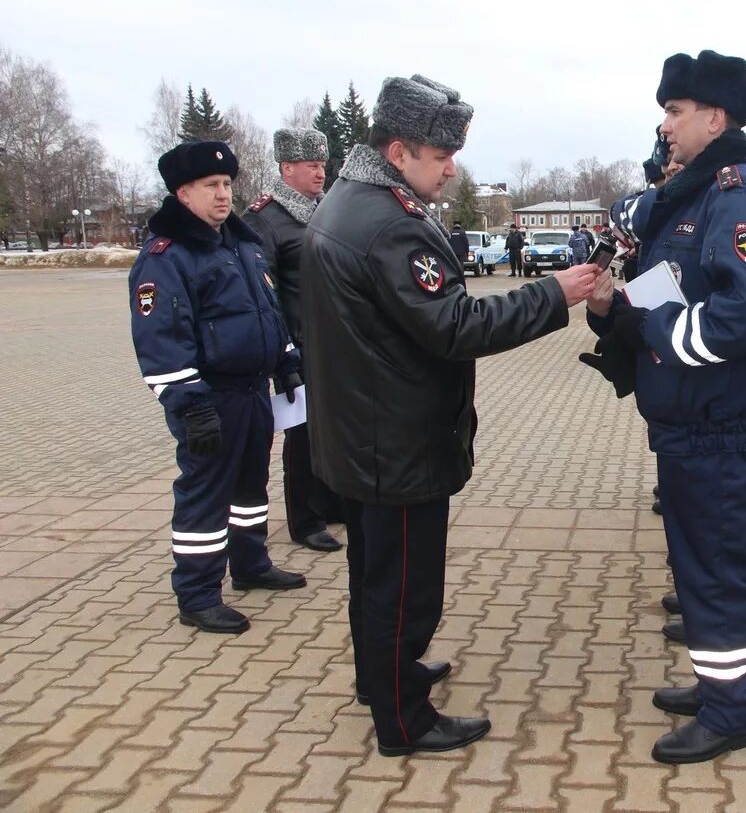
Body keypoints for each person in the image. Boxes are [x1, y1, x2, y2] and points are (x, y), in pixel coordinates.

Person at [300, 73, 600, 758]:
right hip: (394, 438)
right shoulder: (385, 225)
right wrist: (553, 296)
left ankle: (383, 679)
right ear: (400, 150)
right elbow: (455, 326)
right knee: (405, 589)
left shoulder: (350, 203)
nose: (451, 168)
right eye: (441, 156)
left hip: (365, 431)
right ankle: (404, 721)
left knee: (375, 575)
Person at [579, 49, 746, 765]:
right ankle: (715, 683)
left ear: (714, 116)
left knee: (719, 570)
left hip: (714, 432)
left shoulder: (736, 197)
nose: (664, 126)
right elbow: (671, 291)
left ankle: (731, 711)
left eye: (674, 112)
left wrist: (657, 333)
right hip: (684, 428)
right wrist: (616, 313)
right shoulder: (696, 196)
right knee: (697, 566)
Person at [128, 140, 306, 634]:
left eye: (227, 184)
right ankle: (198, 593)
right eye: (211, 186)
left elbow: (266, 309)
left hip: (252, 391)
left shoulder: (240, 242)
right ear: (183, 193)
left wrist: (285, 359)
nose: (223, 194)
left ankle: (250, 565)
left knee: (251, 486)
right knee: (205, 492)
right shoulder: (166, 257)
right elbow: (160, 340)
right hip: (209, 396)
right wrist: (189, 404)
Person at [242, 128, 343, 553]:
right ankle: (305, 519)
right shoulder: (264, 219)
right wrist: (283, 350)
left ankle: (332, 501)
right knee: (301, 437)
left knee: (334, 430)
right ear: (287, 169)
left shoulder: (329, 211)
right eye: (311, 166)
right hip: (296, 347)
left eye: (322, 165)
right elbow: (264, 292)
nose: (321, 172)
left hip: (335, 342)